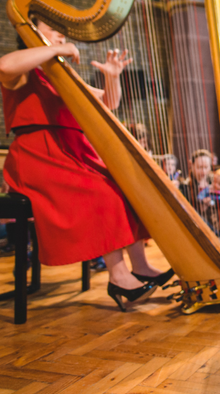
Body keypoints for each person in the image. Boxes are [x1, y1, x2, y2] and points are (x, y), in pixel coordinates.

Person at [0, 20, 174, 311]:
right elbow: (4, 66)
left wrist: (112, 77)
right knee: (100, 192)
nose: (60, 34)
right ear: (30, 32)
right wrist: (60, 48)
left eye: (61, 31)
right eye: (52, 29)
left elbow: (108, 103)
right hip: (38, 156)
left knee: (124, 186)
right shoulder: (23, 72)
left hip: (71, 151)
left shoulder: (59, 75)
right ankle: (118, 277)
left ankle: (140, 266)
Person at [179, 149, 214, 214]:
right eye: (199, 167)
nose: (203, 171)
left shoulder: (216, 183)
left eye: (206, 167)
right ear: (191, 165)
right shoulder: (184, 187)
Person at [198, 167, 220, 239]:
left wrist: (212, 201)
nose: (215, 185)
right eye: (214, 182)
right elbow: (200, 196)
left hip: (218, 213)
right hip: (207, 212)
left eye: (219, 184)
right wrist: (203, 200)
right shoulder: (208, 189)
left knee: (217, 225)